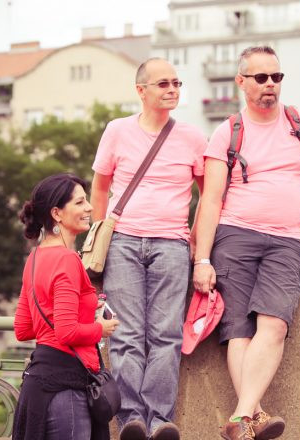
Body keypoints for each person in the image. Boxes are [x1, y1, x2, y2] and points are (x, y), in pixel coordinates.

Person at [193, 46, 300, 440]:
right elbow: (212, 199)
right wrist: (203, 258)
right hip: (234, 236)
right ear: (242, 82)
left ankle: (239, 417)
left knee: (273, 325)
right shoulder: (228, 132)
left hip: (289, 242)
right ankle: (251, 416)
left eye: (276, 77)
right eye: (261, 78)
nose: (270, 85)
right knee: (238, 330)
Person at [90, 57, 207, 440]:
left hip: (171, 244)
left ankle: (159, 419)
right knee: (124, 335)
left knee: (165, 335)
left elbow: (209, 195)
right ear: (141, 91)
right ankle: (130, 420)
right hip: (123, 241)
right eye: (163, 84)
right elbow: (101, 186)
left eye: (176, 82)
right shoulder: (117, 131)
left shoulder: (192, 137)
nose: (172, 89)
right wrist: (99, 234)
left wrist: (196, 240)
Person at [13, 173, 120, 440]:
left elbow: (23, 329)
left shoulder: (34, 258)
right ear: (57, 214)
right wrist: (100, 328)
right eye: (80, 203)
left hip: (39, 385)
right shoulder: (68, 260)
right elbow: (66, 332)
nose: (89, 208)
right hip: (66, 388)